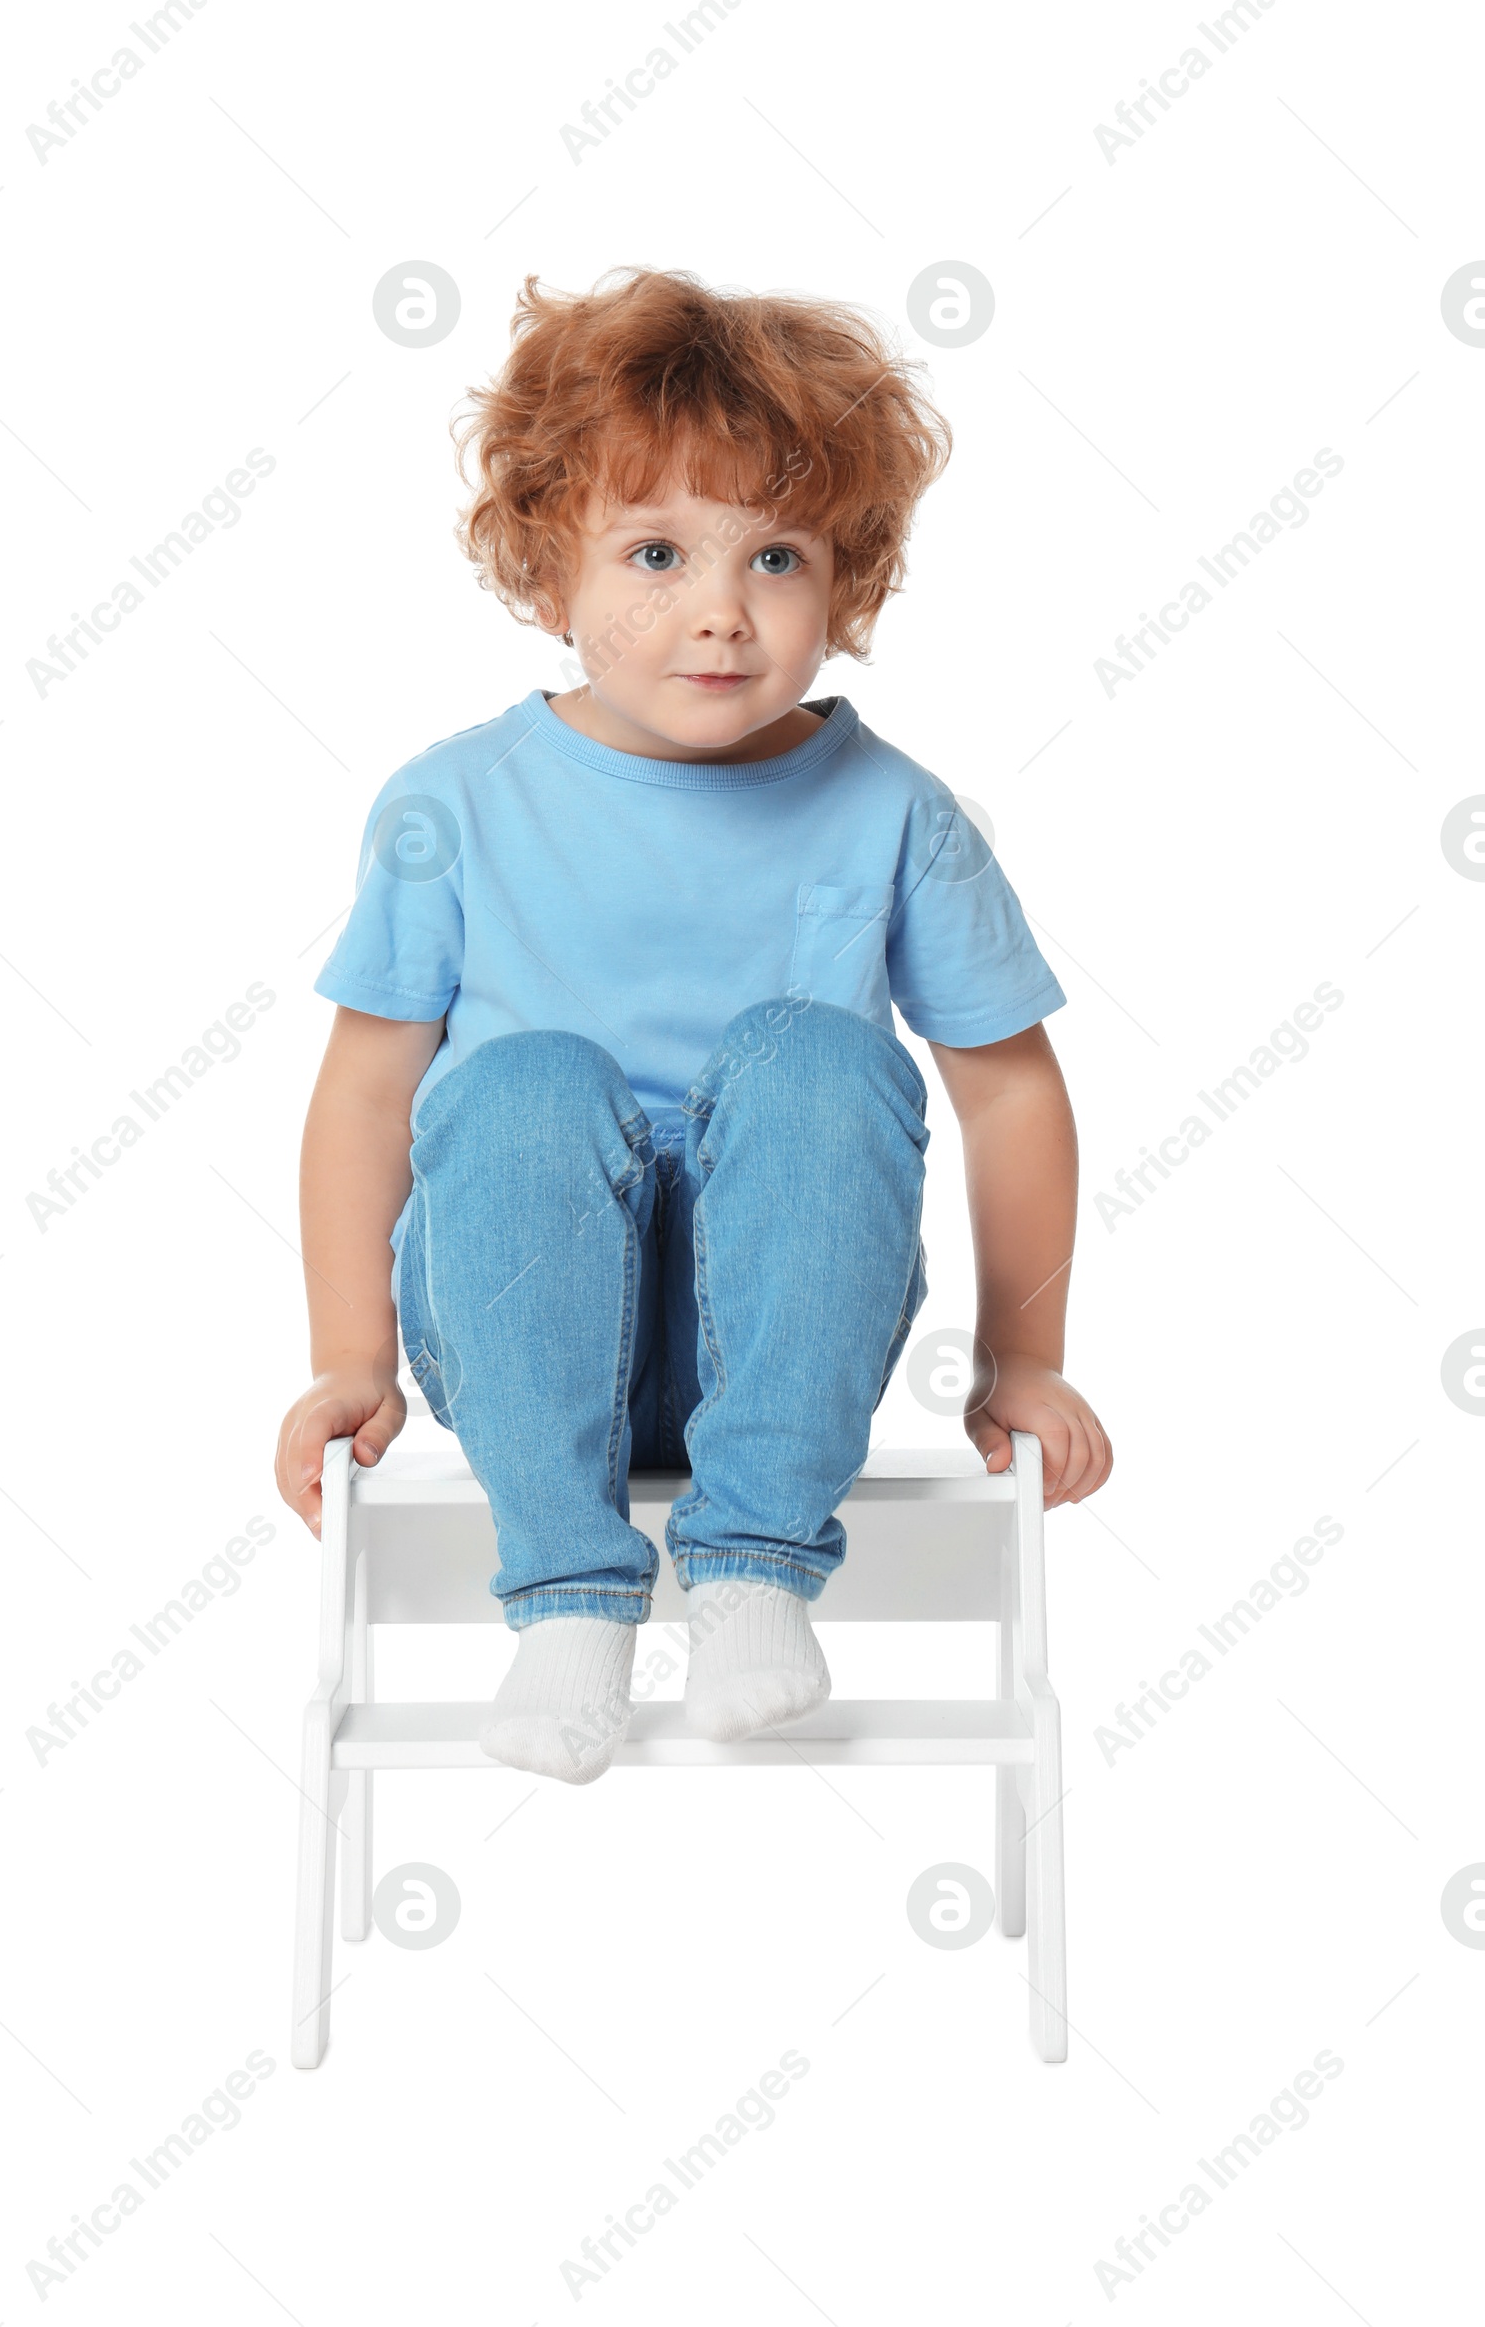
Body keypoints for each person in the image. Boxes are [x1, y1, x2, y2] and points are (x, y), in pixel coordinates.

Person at [274, 265, 1112, 1784]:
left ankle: (754, 1572)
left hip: (787, 1330)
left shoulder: (896, 814)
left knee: (818, 1058)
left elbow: (1008, 1094)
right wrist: (351, 1354)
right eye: (656, 552)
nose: (720, 612)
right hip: (520, 1317)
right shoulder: (450, 805)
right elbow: (366, 1090)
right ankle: (571, 1603)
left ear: (845, 588)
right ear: (550, 579)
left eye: (776, 558)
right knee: (523, 1081)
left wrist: (1024, 1359)